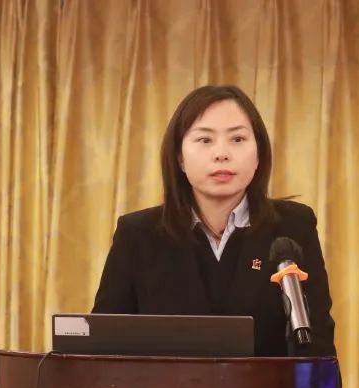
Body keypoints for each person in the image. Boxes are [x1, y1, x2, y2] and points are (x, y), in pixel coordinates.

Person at [92, 85, 336, 357]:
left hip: (268, 386)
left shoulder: (292, 226)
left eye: (238, 139)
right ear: (179, 158)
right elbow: (102, 346)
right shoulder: (138, 235)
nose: (222, 153)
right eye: (205, 140)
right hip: (165, 387)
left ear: (258, 154)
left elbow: (318, 342)